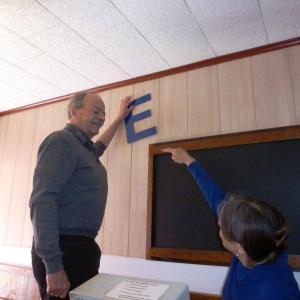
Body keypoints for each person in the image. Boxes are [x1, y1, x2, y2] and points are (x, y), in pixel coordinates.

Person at [30, 92, 133, 299]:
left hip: (81, 249)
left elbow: (100, 146)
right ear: (73, 112)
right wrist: (53, 265)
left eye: (104, 114)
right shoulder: (61, 142)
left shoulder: (86, 150)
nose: (102, 117)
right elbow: (42, 202)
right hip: (63, 251)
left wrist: (119, 118)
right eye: (96, 111)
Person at [162, 147, 300, 300]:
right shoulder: (257, 246)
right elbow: (215, 197)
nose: (219, 221)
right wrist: (188, 160)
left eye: (222, 226)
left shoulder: (275, 293)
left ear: (240, 246)